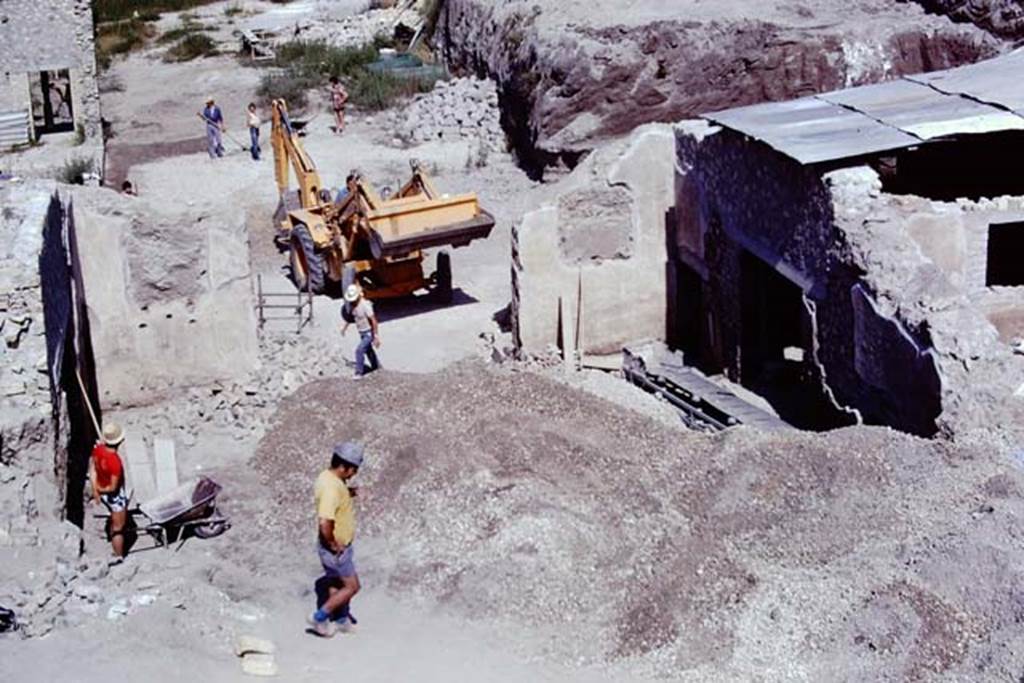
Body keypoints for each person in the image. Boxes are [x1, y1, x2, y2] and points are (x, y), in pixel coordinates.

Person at [309, 442, 364, 637]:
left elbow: (336, 497)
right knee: (352, 586)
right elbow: (325, 522)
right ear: (344, 466)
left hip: (330, 549)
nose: (354, 474)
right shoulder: (331, 488)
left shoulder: (328, 478)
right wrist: (333, 545)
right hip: (335, 550)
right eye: (353, 470)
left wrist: (349, 493)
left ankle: (340, 619)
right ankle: (319, 617)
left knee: (336, 583)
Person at [90, 423, 128, 558]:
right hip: (113, 496)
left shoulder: (98, 449)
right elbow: (113, 487)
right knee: (119, 528)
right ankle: (118, 556)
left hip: (103, 491)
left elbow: (93, 469)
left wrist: (95, 489)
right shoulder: (115, 461)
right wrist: (99, 489)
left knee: (114, 519)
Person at [341, 283, 380, 378]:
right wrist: (344, 327)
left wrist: (375, 336)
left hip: (368, 333)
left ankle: (359, 372)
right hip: (361, 332)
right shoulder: (352, 305)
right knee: (368, 350)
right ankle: (376, 366)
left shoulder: (365, 305)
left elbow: (374, 321)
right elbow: (351, 317)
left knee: (359, 350)